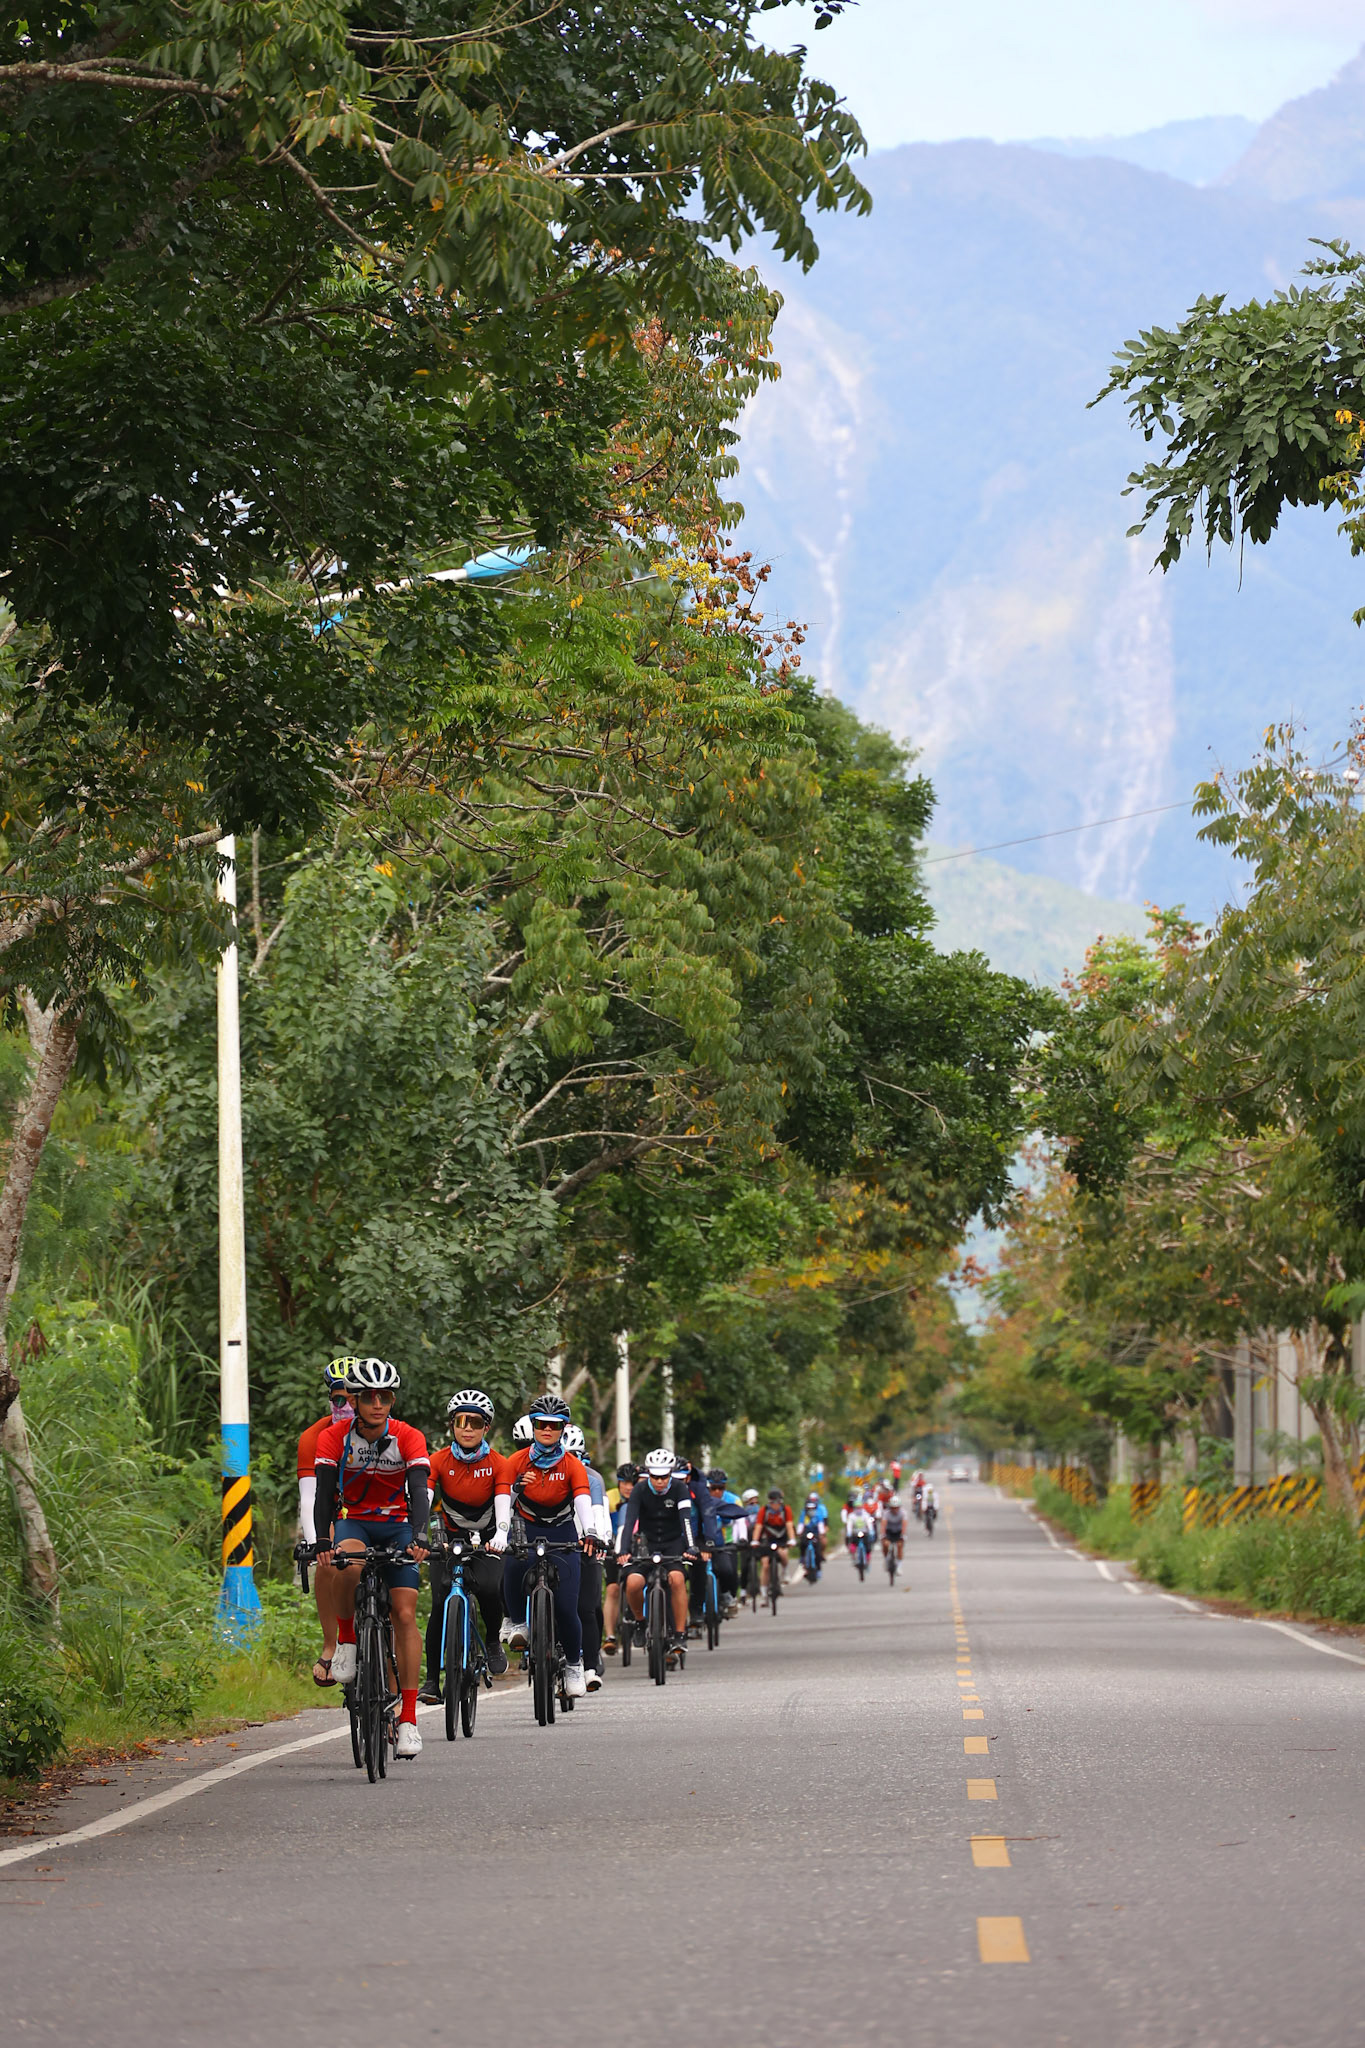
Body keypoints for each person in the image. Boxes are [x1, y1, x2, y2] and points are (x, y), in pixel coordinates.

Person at [311, 1358, 430, 1760]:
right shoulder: (333, 1438)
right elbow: (324, 1494)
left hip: (397, 1525)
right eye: (369, 1398)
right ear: (356, 1400)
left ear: (392, 1399)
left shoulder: (408, 1436)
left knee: (405, 1614)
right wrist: (322, 1540)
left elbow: (419, 1489)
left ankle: (409, 1719)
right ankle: (347, 1639)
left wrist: (419, 1536)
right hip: (355, 1524)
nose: (378, 1405)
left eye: (385, 1397)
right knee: (346, 1563)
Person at [499, 1394, 597, 1699]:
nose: (546, 1431)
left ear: (562, 1429)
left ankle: (574, 1666)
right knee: (513, 1562)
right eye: (540, 1424)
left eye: (554, 1427)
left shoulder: (571, 1464)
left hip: (562, 1528)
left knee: (569, 1607)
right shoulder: (515, 1461)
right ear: (533, 1426)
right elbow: (502, 1499)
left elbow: (582, 1498)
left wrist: (590, 1531)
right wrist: (515, 1494)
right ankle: (518, 1622)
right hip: (525, 1525)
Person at [419, 1388, 510, 1704]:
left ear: (486, 1427)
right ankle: (431, 1681)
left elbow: (503, 1504)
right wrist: (417, 1533)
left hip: (488, 1537)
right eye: (461, 1421)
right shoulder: (438, 1460)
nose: (467, 1428)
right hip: (449, 1537)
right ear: (452, 1426)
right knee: (439, 1603)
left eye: (475, 1422)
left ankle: (492, 1639)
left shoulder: (499, 1463)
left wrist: (500, 1536)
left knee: (488, 1588)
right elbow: (425, 1500)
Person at [296, 1358, 356, 1686]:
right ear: (329, 1400)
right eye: (338, 1399)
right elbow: (310, 1497)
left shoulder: (384, 1429)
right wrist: (316, 1542)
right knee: (326, 1558)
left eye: (353, 1397)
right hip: (332, 1509)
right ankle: (331, 1643)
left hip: (376, 1510)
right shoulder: (314, 1437)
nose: (346, 1405)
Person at [616, 1448, 700, 1664]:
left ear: (670, 1475)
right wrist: (624, 1550)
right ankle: (641, 1621)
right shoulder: (640, 1490)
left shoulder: (680, 1489)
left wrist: (691, 1546)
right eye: (655, 1477)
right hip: (646, 1544)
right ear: (649, 1475)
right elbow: (629, 1522)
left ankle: (680, 1635)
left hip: (673, 1544)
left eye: (664, 1477)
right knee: (633, 1583)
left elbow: (686, 1520)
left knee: (678, 1579)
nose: (660, 1481)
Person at [564, 1423, 609, 1690]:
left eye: (574, 1457)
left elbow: (599, 1513)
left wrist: (602, 1537)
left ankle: (590, 1666)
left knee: (586, 1608)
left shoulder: (592, 1479)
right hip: (554, 1541)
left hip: (586, 1544)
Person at [602, 1461, 638, 1654]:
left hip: (636, 1549)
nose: (628, 1487)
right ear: (618, 1483)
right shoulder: (609, 1497)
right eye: (624, 1483)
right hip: (613, 1548)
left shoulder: (641, 1496)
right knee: (613, 1590)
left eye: (632, 1483)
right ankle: (610, 1636)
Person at [706, 1468, 746, 1617]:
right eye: (713, 1488)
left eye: (720, 1488)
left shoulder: (733, 1500)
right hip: (704, 1543)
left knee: (729, 1572)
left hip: (726, 1543)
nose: (716, 1492)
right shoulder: (702, 1499)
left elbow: (740, 1522)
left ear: (725, 1487)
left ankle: (727, 1594)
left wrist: (742, 1539)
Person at [750, 1487, 795, 1597]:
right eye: (773, 1502)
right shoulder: (764, 1510)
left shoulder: (786, 1510)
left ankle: (785, 1571)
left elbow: (789, 1525)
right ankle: (764, 1591)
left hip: (781, 1538)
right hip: (768, 1539)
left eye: (778, 1502)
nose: (775, 1505)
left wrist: (792, 1539)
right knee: (765, 1565)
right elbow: (759, 1526)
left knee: (783, 1554)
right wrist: (755, 1540)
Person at [845, 1497, 876, 1569]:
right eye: (857, 1507)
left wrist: (871, 1530)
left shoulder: (865, 1515)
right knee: (852, 1546)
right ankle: (854, 1558)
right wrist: (849, 1532)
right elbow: (849, 1524)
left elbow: (869, 1523)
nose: (858, 1509)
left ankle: (867, 1561)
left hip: (864, 1533)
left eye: (859, 1507)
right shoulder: (851, 1515)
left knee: (868, 1547)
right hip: (855, 1533)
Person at [882, 1491, 906, 1562]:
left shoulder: (903, 1513)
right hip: (889, 1531)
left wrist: (903, 1535)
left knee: (899, 1546)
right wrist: (883, 1535)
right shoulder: (886, 1513)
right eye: (893, 1508)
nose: (895, 1509)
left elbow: (904, 1524)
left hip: (898, 1531)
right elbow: (883, 1525)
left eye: (896, 1508)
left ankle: (899, 1565)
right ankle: (886, 1560)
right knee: (885, 1544)